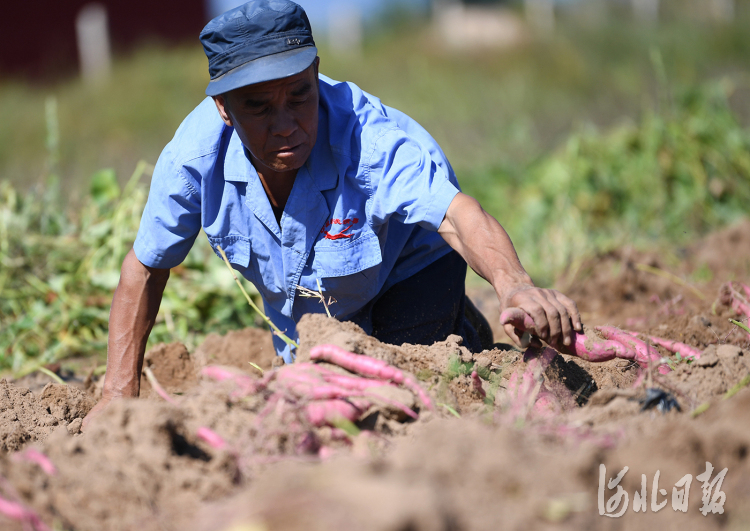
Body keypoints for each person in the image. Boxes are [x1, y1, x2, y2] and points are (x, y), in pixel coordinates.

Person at [83, 0, 581, 427]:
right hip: (315, 306)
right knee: (316, 397)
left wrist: (514, 283)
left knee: (410, 391)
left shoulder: (373, 138)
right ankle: (457, 322)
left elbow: (458, 214)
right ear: (224, 109)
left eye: (299, 96)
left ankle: (455, 326)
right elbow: (146, 268)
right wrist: (117, 394)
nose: (286, 125)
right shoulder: (192, 161)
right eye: (259, 107)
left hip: (409, 268)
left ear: (316, 73)